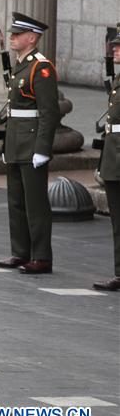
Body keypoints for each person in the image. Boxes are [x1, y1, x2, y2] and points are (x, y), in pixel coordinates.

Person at [0, 13, 59, 275]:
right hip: (15, 141)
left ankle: (41, 256)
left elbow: (49, 112)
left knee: (35, 204)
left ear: (32, 38)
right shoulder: (21, 65)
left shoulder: (40, 67)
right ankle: (20, 251)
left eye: (17, 34)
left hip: (31, 142)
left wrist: (43, 149)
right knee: (16, 201)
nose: (12, 37)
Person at [93, 25, 120, 291]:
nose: (114, 49)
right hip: (113, 156)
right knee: (117, 220)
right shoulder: (118, 82)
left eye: (119, 46)